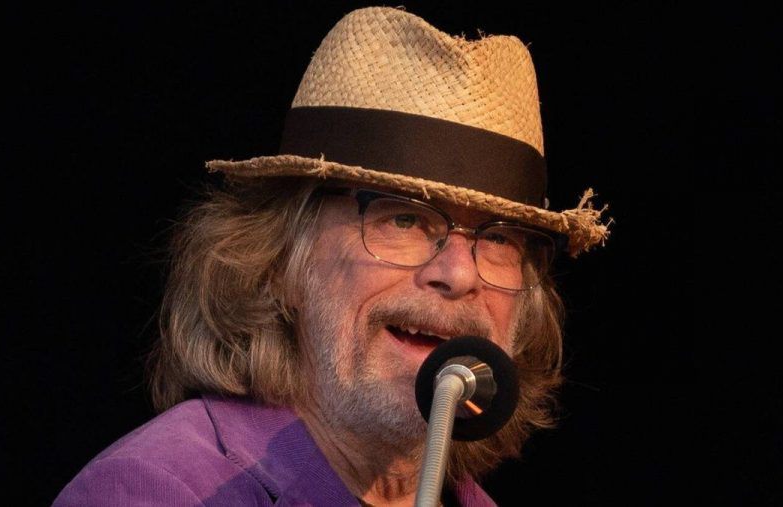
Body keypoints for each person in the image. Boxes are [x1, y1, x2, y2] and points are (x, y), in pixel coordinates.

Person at [53, 6, 610, 506]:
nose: (460, 274)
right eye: (404, 218)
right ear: (276, 261)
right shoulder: (159, 492)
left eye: (498, 238)